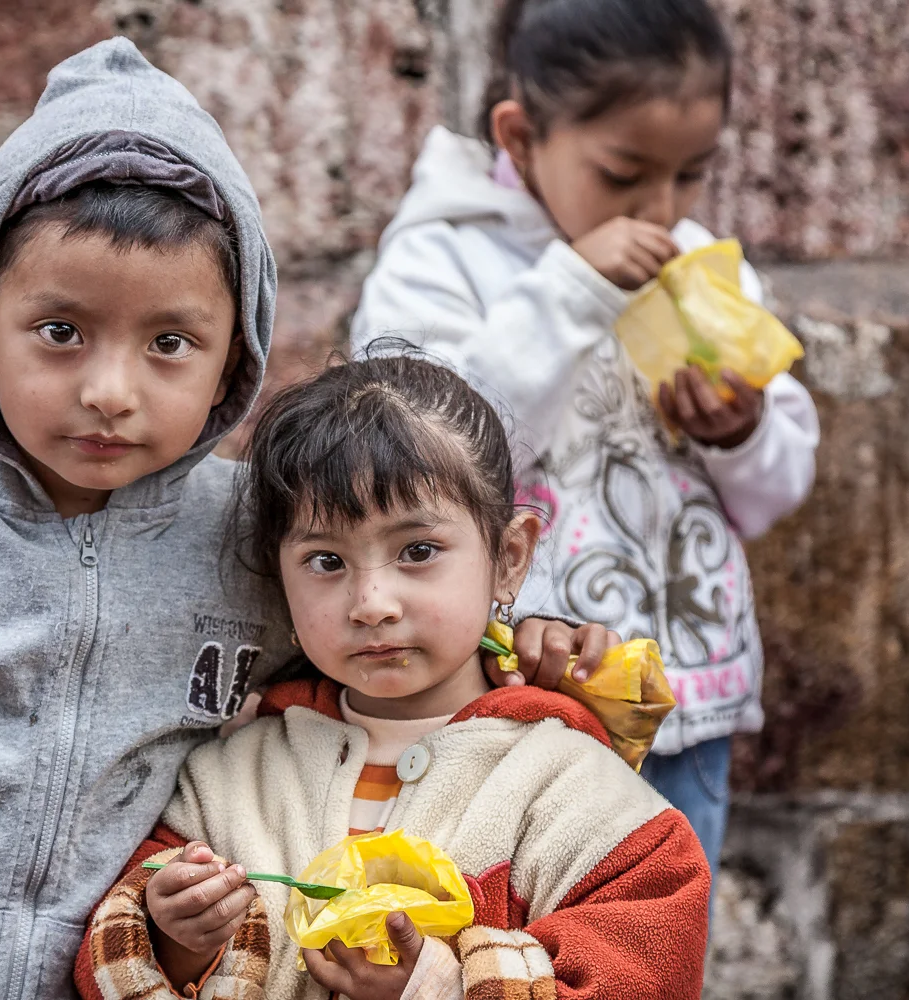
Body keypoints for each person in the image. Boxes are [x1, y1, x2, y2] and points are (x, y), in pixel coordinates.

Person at [0, 38, 611, 1000]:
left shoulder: (264, 538)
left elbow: (385, 653)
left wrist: (515, 647)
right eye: (61, 332)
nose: (110, 393)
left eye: (170, 342)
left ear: (230, 362)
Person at [349, 0, 820, 895]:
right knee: (507, 943)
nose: (661, 211)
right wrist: (573, 289)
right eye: (622, 174)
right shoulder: (441, 260)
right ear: (521, 137)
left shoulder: (703, 270)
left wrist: (742, 432)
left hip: (677, 700)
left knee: (661, 944)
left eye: (691, 177)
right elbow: (427, 453)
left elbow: (778, 486)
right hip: (516, 701)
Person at [75, 356, 710, 1000]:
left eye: (418, 551)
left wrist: (437, 985)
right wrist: (177, 938)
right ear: (278, 579)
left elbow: (649, 969)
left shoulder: (578, 795)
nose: (372, 601)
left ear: (509, 559)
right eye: (326, 560)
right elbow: (112, 958)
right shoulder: (225, 784)